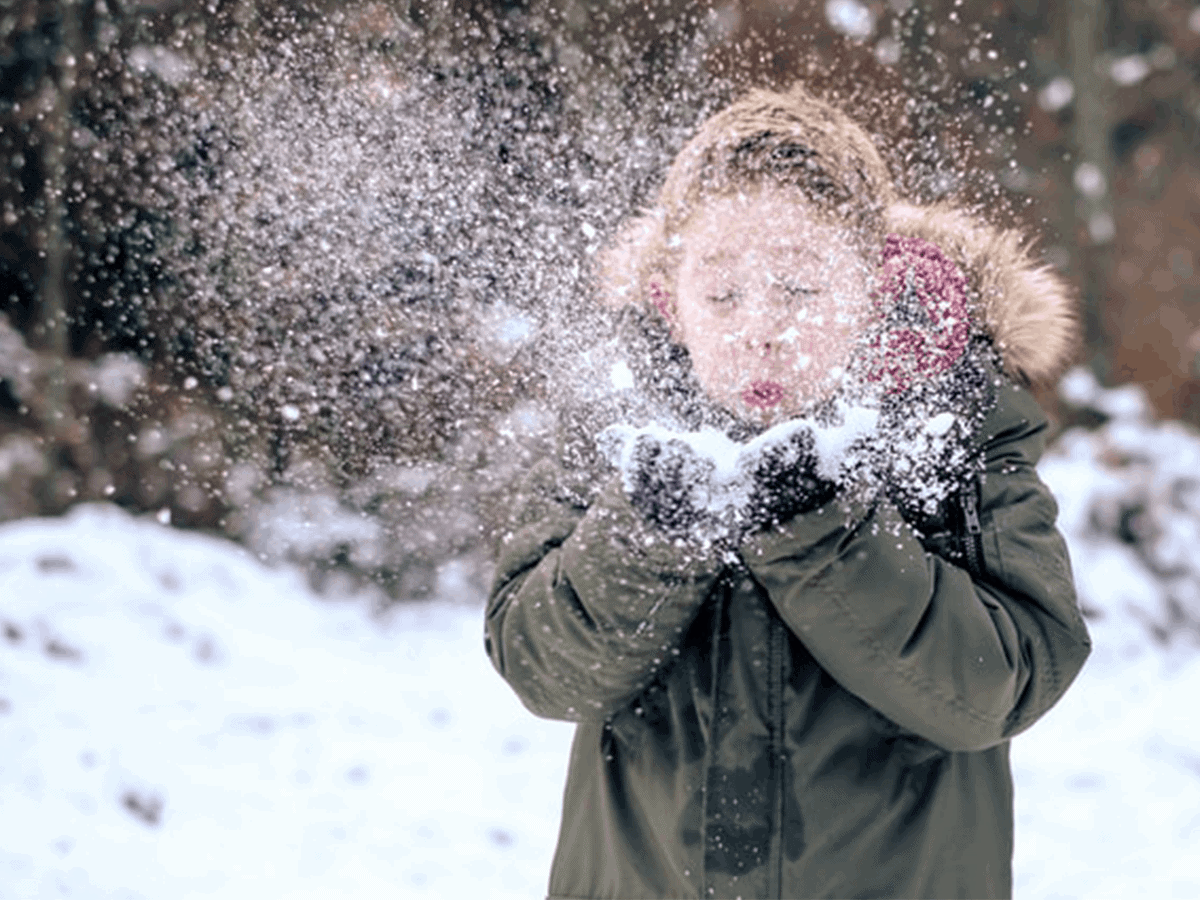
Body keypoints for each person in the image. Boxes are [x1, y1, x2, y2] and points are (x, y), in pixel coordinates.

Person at [484, 83, 1092, 900]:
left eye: (800, 289)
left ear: (874, 292)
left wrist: (822, 530)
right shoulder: (620, 429)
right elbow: (541, 668)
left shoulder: (952, 425)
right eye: (723, 293)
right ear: (673, 304)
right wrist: (651, 534)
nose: (761, 326)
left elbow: (1001, 685)